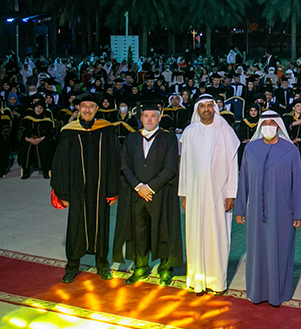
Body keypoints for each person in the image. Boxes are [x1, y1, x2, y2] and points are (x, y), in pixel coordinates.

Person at [234, 110, 301, 306]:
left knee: (280, 250)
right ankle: (256, 292)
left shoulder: (291, 151)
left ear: (279, 126)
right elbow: (244, 180)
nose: (268, 127)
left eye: (273, 123)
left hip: (283, 211)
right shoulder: (251, 149)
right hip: (256, 211)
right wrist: (240, 208)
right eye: (265, 123)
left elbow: (296, 185)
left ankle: (278, 294)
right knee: (257, 251)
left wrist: (298, 213)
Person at [50, 93, 121, 283]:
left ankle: (102, 264)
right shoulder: (68, 132)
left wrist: (113, 190)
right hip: (76, 190)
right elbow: (60, 164)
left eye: (91, 106)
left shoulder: (106, 131)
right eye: (84, 106)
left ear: (97, 109)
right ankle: (72, 266)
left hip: (100, 189)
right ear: (79, 109)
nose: (88, 110)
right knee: (76, 227)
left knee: (101, 226)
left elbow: (115, 161)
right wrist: (62, 192)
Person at [179, 94, 240, 294]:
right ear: (197, 109)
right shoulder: (189, 132)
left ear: (215, 108)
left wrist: (231, 193)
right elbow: (184, 165)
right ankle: (196, 280)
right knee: (195, 234)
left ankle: (217, 282)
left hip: (219, 194)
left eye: (209, 105)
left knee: (218, 236)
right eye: (202, 106)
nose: (206, 109)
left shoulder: (226, 131)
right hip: (195, 194)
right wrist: (184, 193)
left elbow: (232, 165)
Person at [115, 101, 181, 286]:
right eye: (146, 116)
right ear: (141, 118)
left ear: (159, 117)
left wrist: (149, 187)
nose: (149, 119)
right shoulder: (132, 138)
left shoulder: (168, 139)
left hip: (160, 195)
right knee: (139, 231)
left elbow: (170, 168)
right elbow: (125, 165)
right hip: (137, 195)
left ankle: (165, 269)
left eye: (153, 116)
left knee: (163, 230)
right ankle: (140, 267)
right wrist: (138, 186)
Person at [17, 98, 56, 179]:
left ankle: (45, 170)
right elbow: (21, 131)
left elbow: (50, 132)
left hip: (42, 140)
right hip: (28, 139)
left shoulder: (47, 120)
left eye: (41, 108)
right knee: (25, 147)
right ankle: (26, 170)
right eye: (37, 107)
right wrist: (28, 139)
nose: (39, 109)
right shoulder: (27, 119)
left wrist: (41, 139)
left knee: (45, 147)